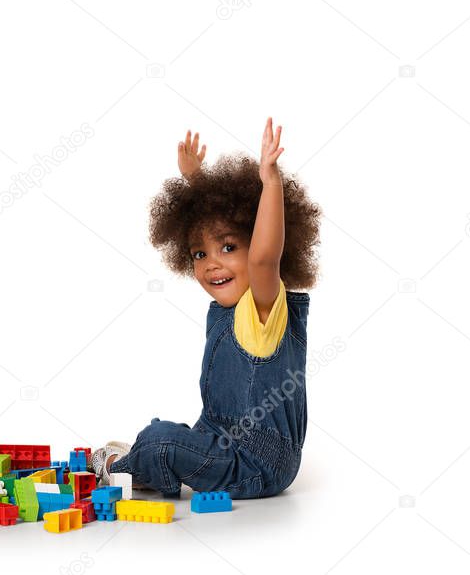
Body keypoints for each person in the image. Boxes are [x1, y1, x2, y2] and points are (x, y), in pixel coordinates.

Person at [90, 122, 321, 499]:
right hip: (218, 437)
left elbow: (264, 259)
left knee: (160, 441)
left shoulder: (262, 307)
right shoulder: (228, 310)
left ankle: (121, 469)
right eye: (200, 254)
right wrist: (196, 182)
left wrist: (271, 184)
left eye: (229, 248)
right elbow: (217, 217)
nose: (212, 263)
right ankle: (148, 459)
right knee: (162, 431)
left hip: (255, 463)